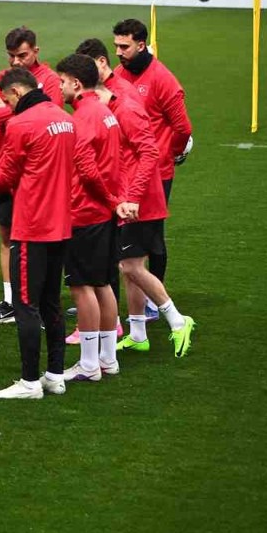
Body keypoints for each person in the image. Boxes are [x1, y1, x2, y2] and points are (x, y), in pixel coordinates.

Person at [0, 68, 74, 400]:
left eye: (7, 99)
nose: (6, 106)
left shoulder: (20, 124)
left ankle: (30, 382)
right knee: (51, 303)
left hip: (32, 226)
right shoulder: (64, 117)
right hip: (61, 223)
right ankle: (55, 375)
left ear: (16, 92)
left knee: (26, 303)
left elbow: (5, 176)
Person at [93, 52, 197, 359]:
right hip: (128, 195)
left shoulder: (123, 105)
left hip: (139, 198)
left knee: (130, 265)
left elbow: (149, 152)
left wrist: (133, 196)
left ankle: (177, 320)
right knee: (129, 267)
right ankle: (138, 333)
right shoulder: (114, 98)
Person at [0, 27, 62, 325]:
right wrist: (15, 112)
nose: (16, 62)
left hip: (39, 175)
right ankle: (11, 302)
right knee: (7, 237)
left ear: (36, 51)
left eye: (22, 55)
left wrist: (8, 112)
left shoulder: (50, 79)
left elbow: (52, 112)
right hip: (6, 168)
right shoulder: (2, 77)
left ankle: (38, 303)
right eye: (11, 55)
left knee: (40, 241)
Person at [55, 54, 129, 382]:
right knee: (103, 284)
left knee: (82, 287)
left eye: (62, 82)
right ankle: (107, 360)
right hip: (102, 214)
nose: (58, 87)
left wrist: (110, 200)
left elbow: (87, 170)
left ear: (76, 84)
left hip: (84, 213)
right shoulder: (105, 112)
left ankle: (88, 365)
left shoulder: (83, 117)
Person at [112, 18, 194, 285]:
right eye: (116, 46)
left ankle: (154, 300)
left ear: (141, 44)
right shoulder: (118, 74)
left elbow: (182, 127)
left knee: (152, 236)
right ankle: (104, 296)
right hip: (124, 171)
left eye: (124, 46)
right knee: (119, 235)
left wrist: (171, 153)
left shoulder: (163, 79)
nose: (118, 52)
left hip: (156, 171)